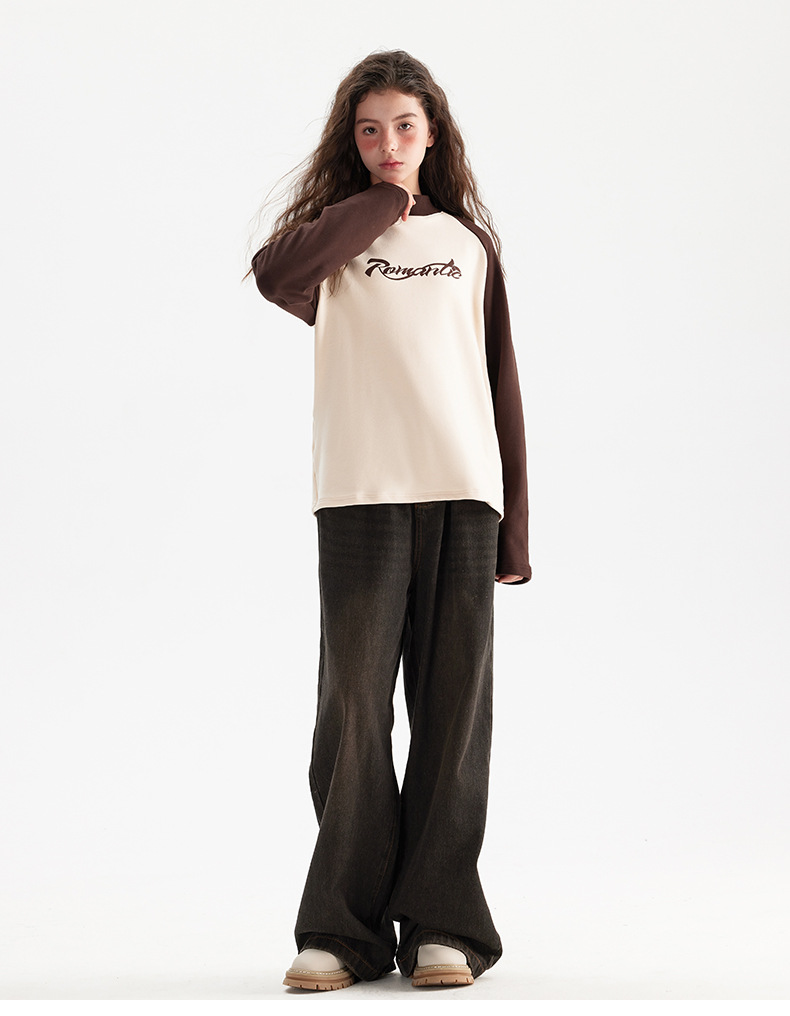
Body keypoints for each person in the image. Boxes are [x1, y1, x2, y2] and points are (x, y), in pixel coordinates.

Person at [245, 49, 531, 991]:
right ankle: (345, 932)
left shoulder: (469, 245)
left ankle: (445, 925)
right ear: (353, 142)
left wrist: (516, 525)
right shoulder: (336, 238)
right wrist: (378, 202)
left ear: (433, 132)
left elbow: (500, 385)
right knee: (354, 714)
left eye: (405, 127)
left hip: (462, 494)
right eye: (370, 131)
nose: (388, 143)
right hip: (359, 493)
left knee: (454, 716)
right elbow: (274, 275)